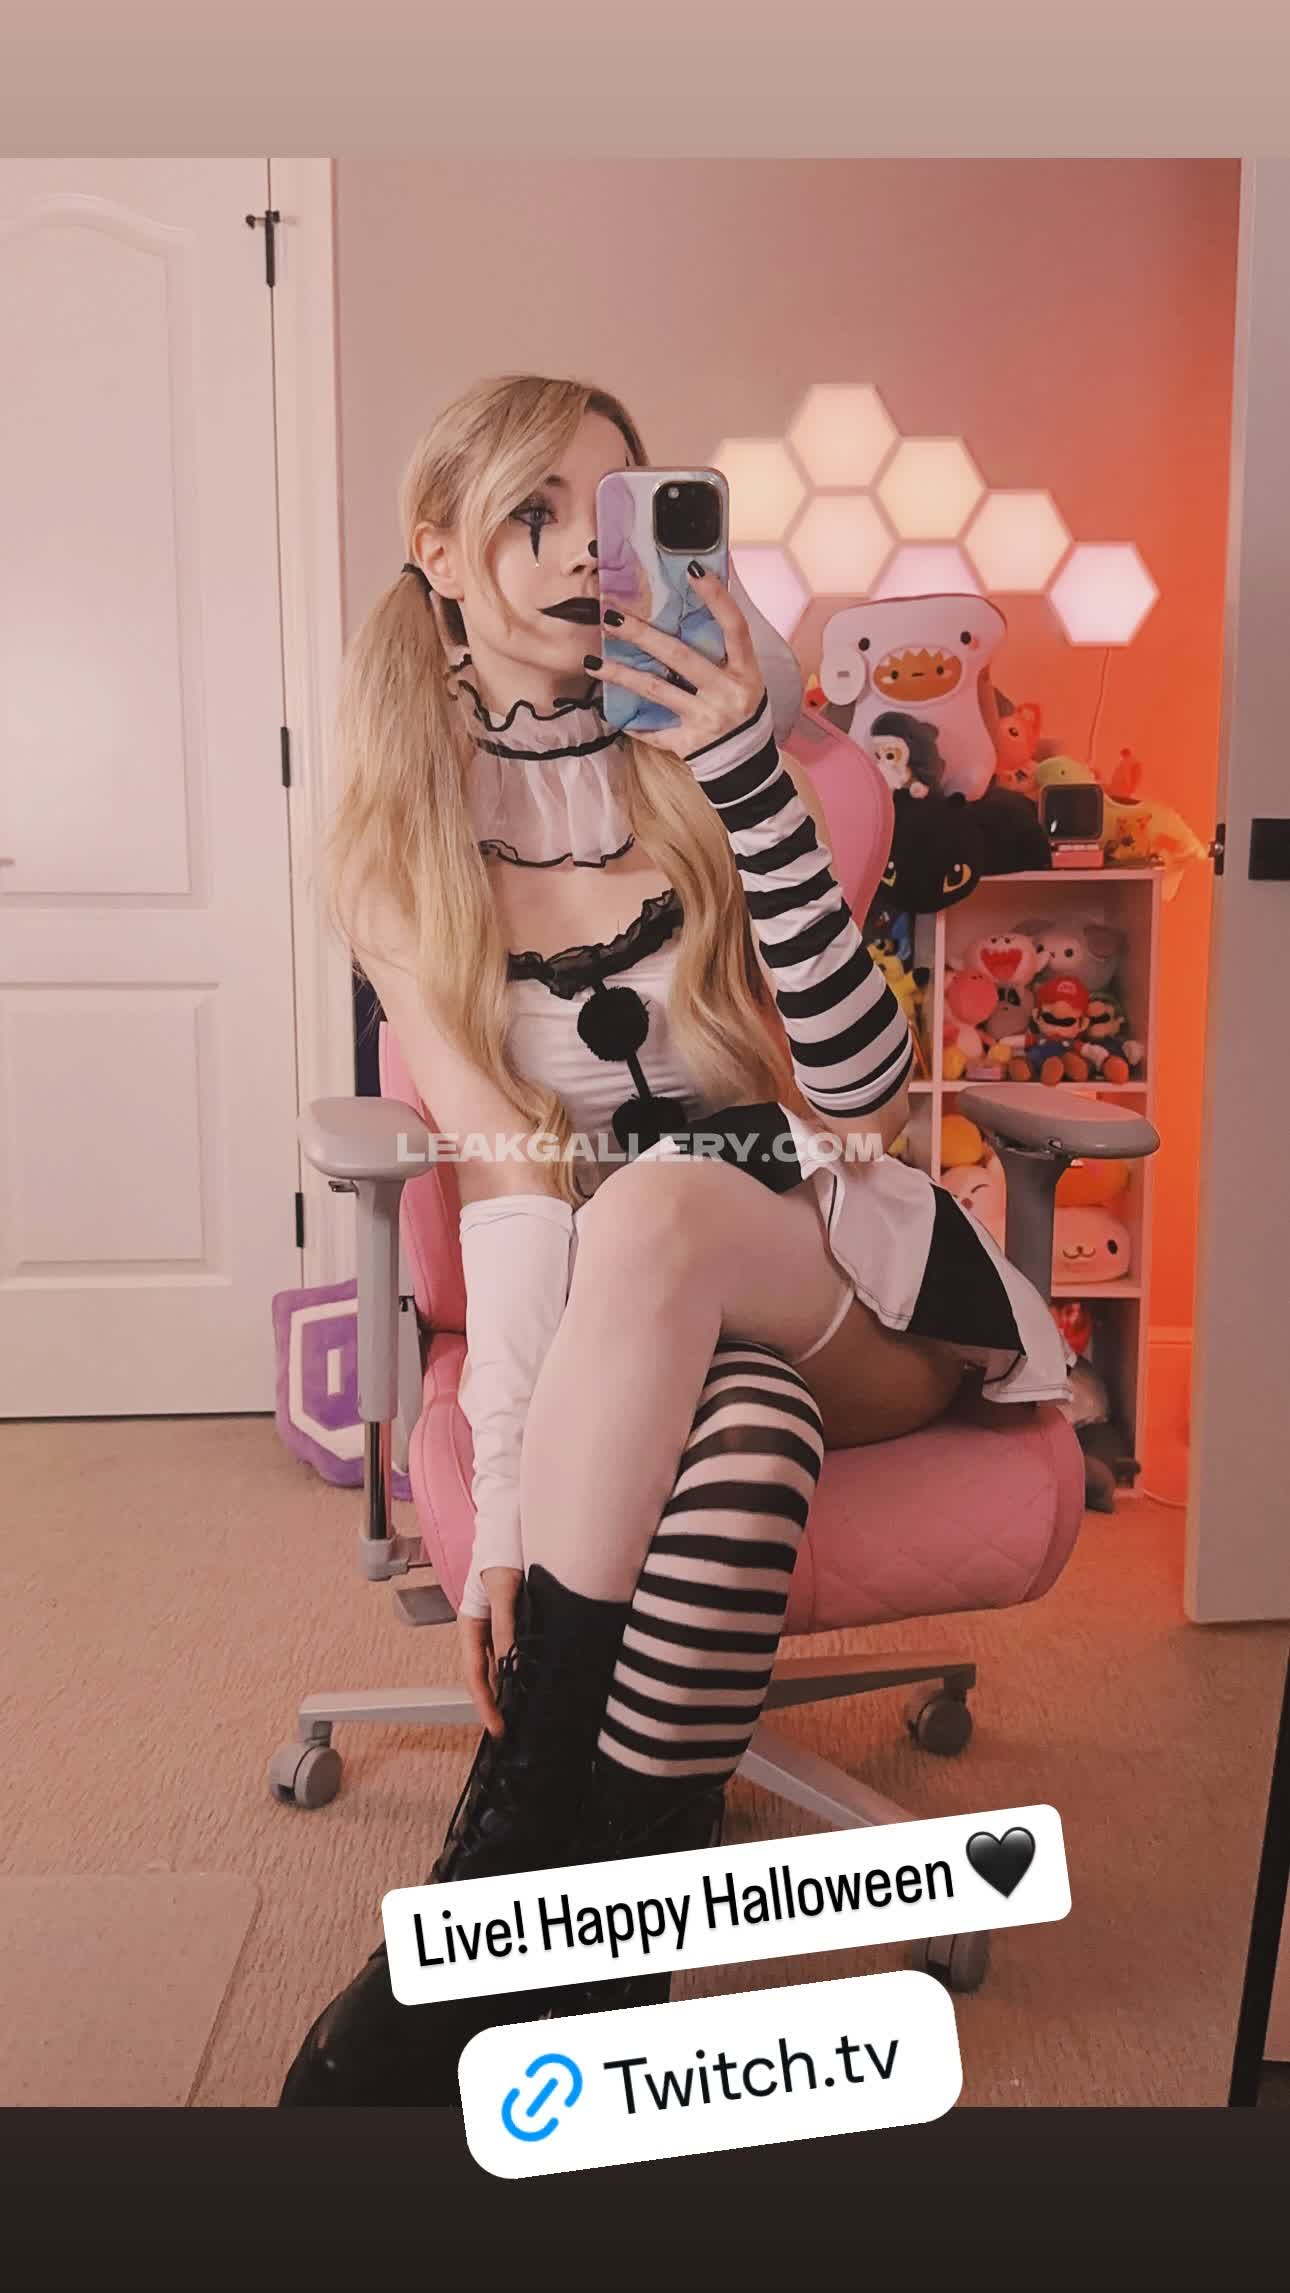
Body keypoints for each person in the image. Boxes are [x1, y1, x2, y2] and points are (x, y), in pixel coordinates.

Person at [279, 374, 1071, 2105]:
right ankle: (613, 1968)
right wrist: (501, 1514)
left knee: (655, 1203)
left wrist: (742, 773)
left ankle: (494, 1877)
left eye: (611, 512)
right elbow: (506, 1184)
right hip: (656, 1339)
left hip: (841, 1277)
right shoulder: (403, 845)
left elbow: (859, 1095)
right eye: (532, 513)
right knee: (741, 1440)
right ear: (437, 549)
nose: (584, 552)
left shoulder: (712, 767)